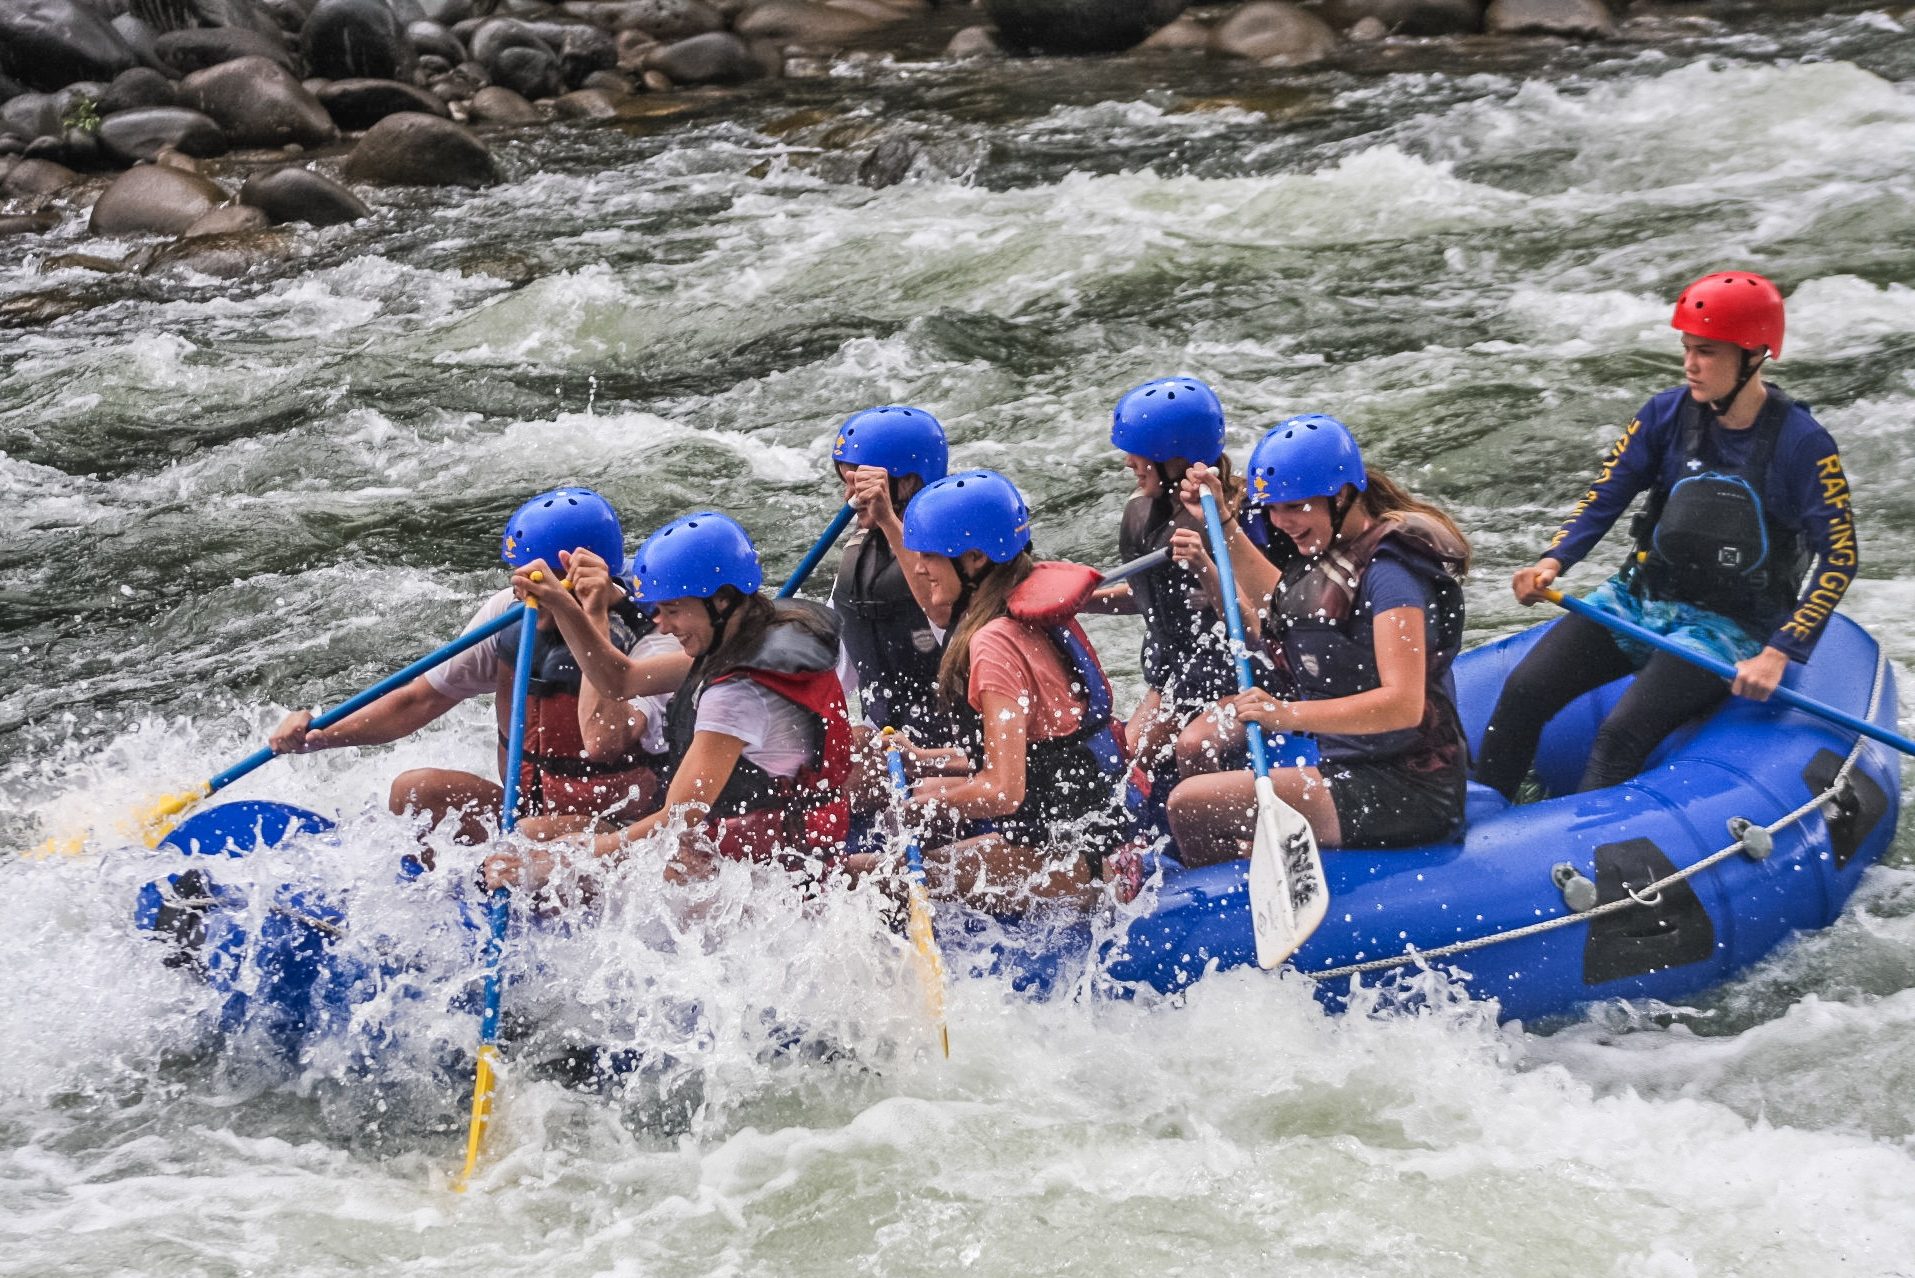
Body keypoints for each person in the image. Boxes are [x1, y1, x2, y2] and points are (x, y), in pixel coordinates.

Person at [1474, 271, 1859, 799]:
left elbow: (1840, 556)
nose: (1690, 364)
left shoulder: (1803, 444)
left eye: (1707, 352)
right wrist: (1553, 560)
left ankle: (1589, 840)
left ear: (1753, 356)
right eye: (1686, 348)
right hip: (1641, 598)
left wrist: (1778, 651)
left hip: (1730, 625)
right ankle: (1480, 815)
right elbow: (1605, 494)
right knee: (1523, 690)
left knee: (1619, 735)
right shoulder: (1665, 413)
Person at [267, 489, 686, 859]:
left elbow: (604, 741)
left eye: (536, 581)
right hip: (527, 816)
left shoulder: (654, 642)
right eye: (519, 577)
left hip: (624, 838)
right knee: (415, 792)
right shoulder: (510, 612)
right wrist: (318, 735)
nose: (521, 592)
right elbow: (417, 700)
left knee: (530, 837)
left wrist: (592, 617)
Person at [486, 511, 853, 891]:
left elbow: (679, 817)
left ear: (722, 600)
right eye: (658, 611)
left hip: (772, 874)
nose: (661, 624)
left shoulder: (737, 695)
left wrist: (569, 859)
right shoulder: (753, 636)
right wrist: (570, 606)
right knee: (535, 834)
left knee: (578, 864)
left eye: (673, 610)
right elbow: (620, 680)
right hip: (779, 844)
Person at [1167, 416, 1471, 862]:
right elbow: (1281, 607)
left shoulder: (1392, 576)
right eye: (1273, 509)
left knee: (1190, 805)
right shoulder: (1337, 554)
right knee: (1193, 792)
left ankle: (1229, 894)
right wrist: (1224, 523)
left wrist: (1284, 714)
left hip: (1409, 788)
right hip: (1353, 767)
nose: (1281, 521)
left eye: (1296, 506)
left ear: (1341, 495)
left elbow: (1404, 705)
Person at [871, 469, 1128, 912]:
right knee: (923, 792)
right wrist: (926, 761)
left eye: (929, 556)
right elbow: (1032, 748)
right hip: (1092, 840)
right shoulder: (1018, 605)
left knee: (872, 875)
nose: (919, 567)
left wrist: (928, 810)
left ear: (974, 559)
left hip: (1075, 863)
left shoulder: (993, 644)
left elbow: (1003, 790)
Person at [1081, 376, 1246, 796]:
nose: (1129, 463)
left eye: (1139, 454)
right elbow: (1150, 599)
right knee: (1126, 760)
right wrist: (1082, 601)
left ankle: (1218, 830)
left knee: (1194, 745)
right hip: (1180, 679)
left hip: (1240, 681)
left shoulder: (1233, 518)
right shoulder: (1144, 515)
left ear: (1174, 458)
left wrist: (1208, 566)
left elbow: (1254, 614)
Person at [827, 404, 952, 742]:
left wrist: (886, 518)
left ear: (907, 482)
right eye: (847, 482)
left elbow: (942, 614)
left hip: (957, 746)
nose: (849, 498)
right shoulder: (860, 560)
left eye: (861, 483)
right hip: (889, 739)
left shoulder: (955, 559)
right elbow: (832, 673)